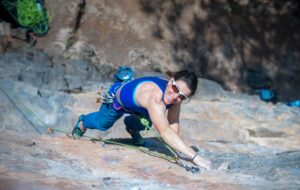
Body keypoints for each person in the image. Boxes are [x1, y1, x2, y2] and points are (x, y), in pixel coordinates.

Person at [72, 69, 211, 170]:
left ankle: (131, 126)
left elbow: (173, 123)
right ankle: (83, 121)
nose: (175, 96)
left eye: (182, 96)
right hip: (118, 100)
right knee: (102, 124)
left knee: (149, 123)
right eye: (175, 88)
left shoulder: (176, 98)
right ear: (171, 81)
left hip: (141, 108)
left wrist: (178, 151)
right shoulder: (156, 98)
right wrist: (194, 157)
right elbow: (165, 131)